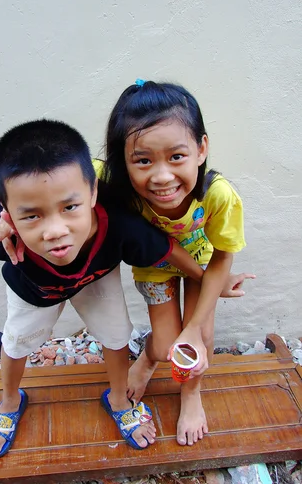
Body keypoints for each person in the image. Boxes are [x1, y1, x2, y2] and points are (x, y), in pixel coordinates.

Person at [0, 118, 207, 457]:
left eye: (70, 207)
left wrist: (207, 279)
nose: (55, 230)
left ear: (93, 193)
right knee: (16, 342)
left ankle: (117, 397)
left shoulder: (119, 226)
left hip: (95, 279)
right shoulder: (1, 234)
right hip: (35, 291)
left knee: (117, 336)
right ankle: (9, 401)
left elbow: (168, 249)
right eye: (32, 216)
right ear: (8, 213)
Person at [101, 79, 255, 446]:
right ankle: (148, 361)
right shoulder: (112, 184)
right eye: (142, 160)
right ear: (122, 160)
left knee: (200, 339)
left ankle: (191, 394)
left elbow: (221, 255)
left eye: (176, 156)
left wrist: (198, 319)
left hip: (202, 263)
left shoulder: (218, 196)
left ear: (201, 149)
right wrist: (5, 213)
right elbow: (55, 176)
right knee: (165, 344)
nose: (162, 176)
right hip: (155, 267)